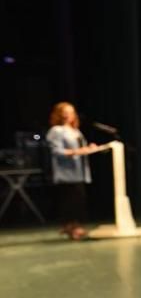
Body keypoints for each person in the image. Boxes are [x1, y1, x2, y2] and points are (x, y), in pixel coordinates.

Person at [46, 102, 99, 240]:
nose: (69, 115)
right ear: (59, 114)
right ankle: (71, 227)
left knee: (79, 200)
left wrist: (90, 148)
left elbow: (82, 147)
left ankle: (74, 225)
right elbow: (56, 151)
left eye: (71, 111)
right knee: (70, 200)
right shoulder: (57, 130)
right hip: (66, 172)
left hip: (80, 171)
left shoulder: (76, 131)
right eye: (66, 112)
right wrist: (77, 151)